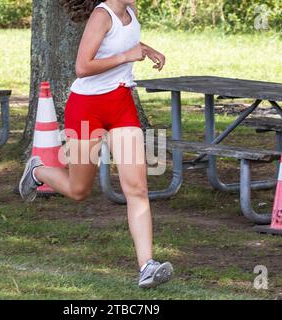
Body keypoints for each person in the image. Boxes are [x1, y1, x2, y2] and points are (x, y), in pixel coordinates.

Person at [19, 0, 173, 289]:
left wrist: (145, 49)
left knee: (137, 187)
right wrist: (129, 55)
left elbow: (125, 42)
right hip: (86, 109)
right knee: (79, 191)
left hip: (121, 105)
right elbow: (82, 67)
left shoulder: (131, 10)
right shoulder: (101, 16)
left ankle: (147, 266)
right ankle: (39, 171)